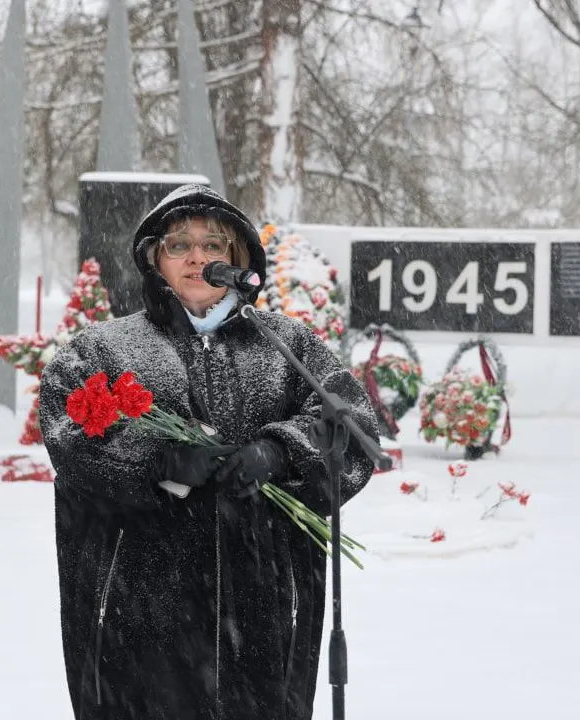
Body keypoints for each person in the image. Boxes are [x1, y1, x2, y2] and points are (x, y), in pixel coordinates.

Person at [39, 184, 379, 720]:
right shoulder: (103, 349)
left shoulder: (287, 345)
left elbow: (354, 428)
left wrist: (281, 451)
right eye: (179, 245)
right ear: (155, 259)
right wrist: (160, 463)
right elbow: (66, 435)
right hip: (142, 615)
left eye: (214, 245)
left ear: (238, 261)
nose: (198, 256)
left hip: (264, 612)